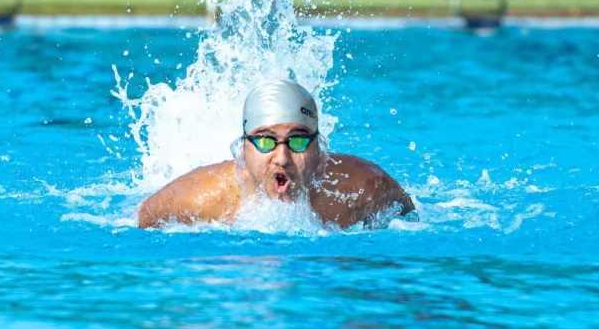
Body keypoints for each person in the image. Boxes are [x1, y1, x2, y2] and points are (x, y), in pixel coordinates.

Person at [137, 79, 415, 229]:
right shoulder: (202, 198)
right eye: (266, 142)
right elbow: (143, 219)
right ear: (243, 149)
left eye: (297, 141)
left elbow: (409, 217)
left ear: (320, 148)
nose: (282, 158)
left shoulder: (361, 187)